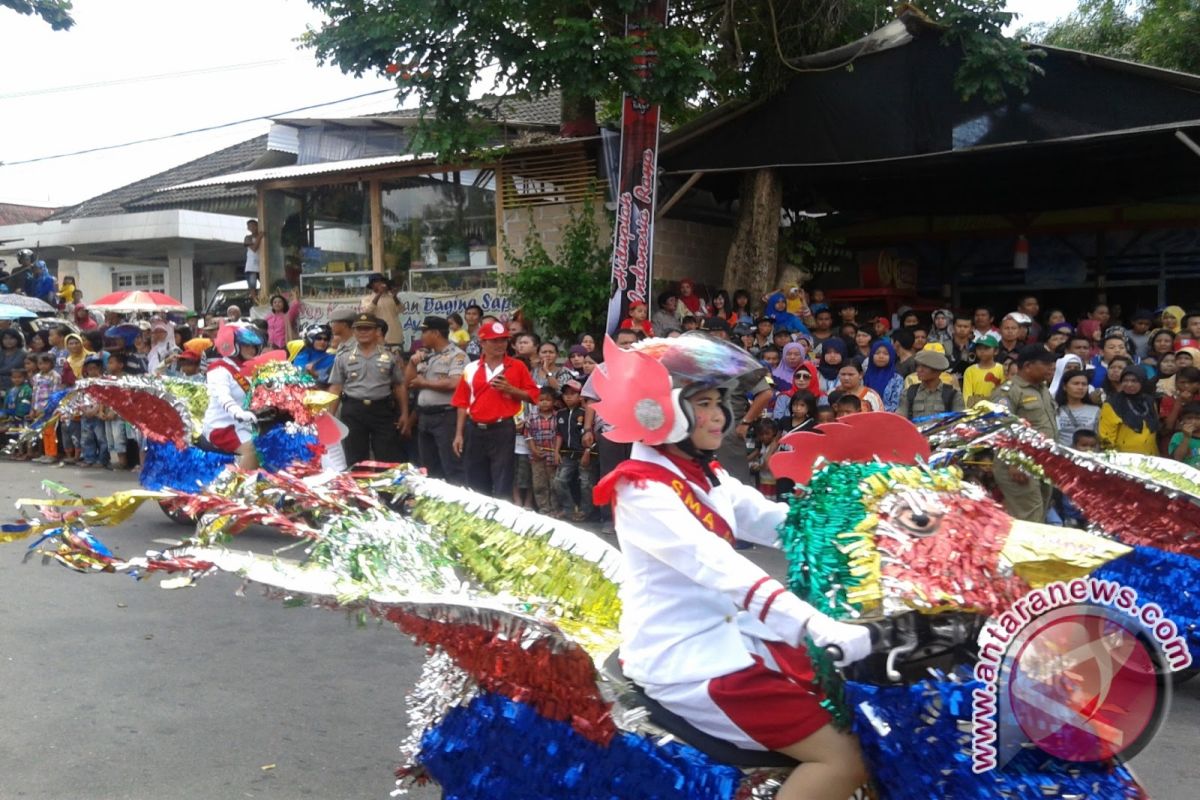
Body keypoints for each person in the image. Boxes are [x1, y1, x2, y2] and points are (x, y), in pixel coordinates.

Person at [590, 334, 870, 800]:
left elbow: (779, 521)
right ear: (661, 411)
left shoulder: (704, 473)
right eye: (703, 403)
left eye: (720, 401)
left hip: (734, 641)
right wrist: (816, 626)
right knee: (845, 756)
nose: (719, 414)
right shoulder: (641, 489)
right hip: (689, 661)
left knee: (860, 700)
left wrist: (875, 528)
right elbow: (718, 566)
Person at [451, 319, 538, 498]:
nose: (500, 344)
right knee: (475, 480)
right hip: (474, 429)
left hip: (502, 429)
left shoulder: (518, 366)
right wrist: (459, 434)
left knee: (503, 479)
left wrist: (510, 390)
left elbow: (533, 396)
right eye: (494, 340)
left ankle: (501, 519)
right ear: (482, 342)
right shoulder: (471, 368)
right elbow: (462, 402)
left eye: (504, 340)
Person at [329, 314, 409, 467]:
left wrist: (404, 413)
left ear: (376, 331)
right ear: (353, 331)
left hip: (382, 410)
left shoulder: (390, 357)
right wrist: (330, 417)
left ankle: (385, 491)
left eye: (367, 329)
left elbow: (399, 386)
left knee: (387, 456)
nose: (363, 332)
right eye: (359, 329)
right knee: (356, 458)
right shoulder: (343, 357)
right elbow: (336, 387)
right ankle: (359, 490)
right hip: (354, 409)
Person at [990, 345, 1058, 523]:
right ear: (1028, 366)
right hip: (1019, 463)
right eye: (1045, 364)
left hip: (1044, 462)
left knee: (1039, 514)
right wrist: (1015, 461)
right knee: (1029, 517)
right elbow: (1002, 427)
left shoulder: (1043, 389)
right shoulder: (1008, 391)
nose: (1051, 368)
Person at [406, 316, 468, 484]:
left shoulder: (457, 355)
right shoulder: (427, 355)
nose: (421, 337)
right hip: (425, 416)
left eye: (424, 332)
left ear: (435, 333)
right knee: (428, 467)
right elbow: (408, 383)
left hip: (446, 416)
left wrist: (425, 382)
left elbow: (456, 382)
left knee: (452, 466)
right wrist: (412, 363)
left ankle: (457, 505)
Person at [200, 326, 264, 470]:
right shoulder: (219, 368)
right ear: (235, 346)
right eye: (246, 345)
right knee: (252, 449)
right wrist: (237, 412)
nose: (252, 350)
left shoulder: (253, 369)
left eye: (254, 347)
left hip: (246, 425)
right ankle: (239, 488)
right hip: (223, 425)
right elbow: (222, 395)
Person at [1099, 365, 1159, 456]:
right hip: (1124, 459)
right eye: (1125, 380)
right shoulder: (1113, 403)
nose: (1129, 384)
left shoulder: (1150, 401)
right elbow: (1106, 436)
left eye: (1134, 381)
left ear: (1142, 381)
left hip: (1150, 457)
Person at [553, 380, 592, 521]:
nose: (568, 397)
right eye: (565, 394)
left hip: (584, 453)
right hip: (567, 453)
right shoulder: (560, 413)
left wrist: (587, 451)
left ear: (580, 396)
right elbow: (559, 434)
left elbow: (591, 434)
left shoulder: (585, 413)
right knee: (559, 481)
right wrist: (556, 451)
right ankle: (569, 508)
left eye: (573, 394)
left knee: (586, 483)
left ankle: (585, 511)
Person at [897, 349, 964, 420]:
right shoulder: (909, 393)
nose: (919, 370)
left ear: (938, 370)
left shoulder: (953, 395)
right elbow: (901, 420)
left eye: (925, 367)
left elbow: (958, 422)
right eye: (918, 366)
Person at [524, 386, 560, 514]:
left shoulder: (557, 417)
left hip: (552, 454)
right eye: (541, 400)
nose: (544, 402)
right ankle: (544, 508)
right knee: (539, 483)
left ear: (554, 402)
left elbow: (559, 435)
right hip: (537, 455)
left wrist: (557, 452)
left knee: (554, 483)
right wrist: (533, 449)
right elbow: (528, 435)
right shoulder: (532, 417)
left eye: (548, 400)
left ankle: (555, 508)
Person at [1055, 368, 1101, 448]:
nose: (1080, 387)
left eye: (1084, 384)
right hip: (1060, 455)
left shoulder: (1095, 410)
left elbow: (1098, 438)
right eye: (1076, 384)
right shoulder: (1054, 410)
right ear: (1064, 387)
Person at [360, 274, 404, 351]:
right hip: (378, 339)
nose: (381, 284)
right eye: (378, 282)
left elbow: (402, 310)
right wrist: (379, 294)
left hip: (395, 337)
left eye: (382, 281)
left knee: (398, 361)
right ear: (372, 285)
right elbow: (366, 313)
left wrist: (394, 296)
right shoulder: (367, 299)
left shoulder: (392, 297)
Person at [962, 334, 1005, 406]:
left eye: (986, 348)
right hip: (976, 410)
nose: (982, 351)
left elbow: (1004, 394)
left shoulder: (1002, 369)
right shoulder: (970, 371)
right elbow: (967, 396)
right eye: (979, 348)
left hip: (997, 410)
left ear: (996, 351)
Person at [863, 341, 904, 412]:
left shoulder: (897, 379)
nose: (881, 356)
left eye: (885, 354)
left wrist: (878, 412)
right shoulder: (863, 377)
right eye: (877, 353)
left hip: (887, 417)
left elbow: (896, 403)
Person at [1168, 403, 1200, 467]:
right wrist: (1186, 437)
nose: (1193, 422)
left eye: (1198, 418)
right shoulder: (1178, 436)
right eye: (1189, 418)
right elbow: (1177, 458)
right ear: (1182, 420)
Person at [243, 219, 263, 298]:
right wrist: (259, 237)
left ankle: (263, 300)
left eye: (253, 225)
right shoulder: (247, 238)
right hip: (251, 267)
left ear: (257, 226)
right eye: (249, 226)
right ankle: (255, 303)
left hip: (262, 266)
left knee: (265, 286)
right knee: (252, 287)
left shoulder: (262, 237)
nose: (251, 227)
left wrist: (260, 236)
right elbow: (254, 248)